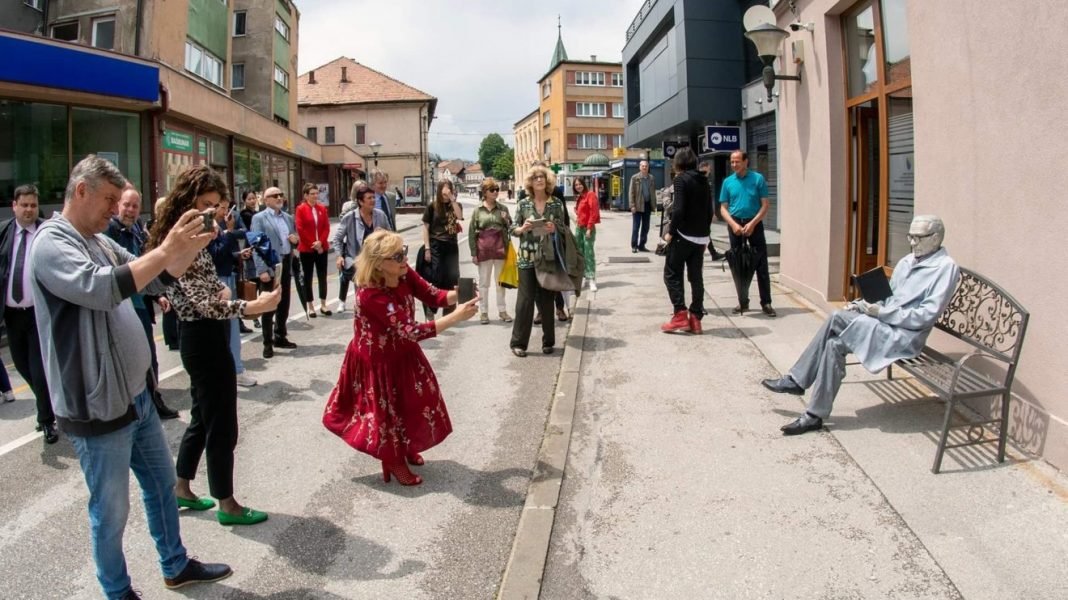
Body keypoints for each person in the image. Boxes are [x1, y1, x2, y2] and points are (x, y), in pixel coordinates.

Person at [30, 155, 233, 599]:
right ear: (80, 191)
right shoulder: (51, 244)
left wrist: (185, 245)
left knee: (161, 486)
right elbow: (103, 288)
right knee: (111, 509)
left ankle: (175, 565)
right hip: (97, 404)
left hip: (135, 396)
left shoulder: (99, 240)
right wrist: (165, 250)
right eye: (108, 199)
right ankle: (118, 592)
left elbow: (155, 280)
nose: (114, 208)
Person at [148, 165, 281, 526]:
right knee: (222, 425)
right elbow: (202, 302)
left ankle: (182, 487)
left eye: (217, 204)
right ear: (186, 200)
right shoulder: (184, 240)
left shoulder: (193, 235)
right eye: (206, 203)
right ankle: (228, 504)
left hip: (204, 334)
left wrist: (222, 292)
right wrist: (250, 306)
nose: (213, 211)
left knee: (203, 418)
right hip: (203, 335)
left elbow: (204, 291)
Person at [763, 215, 960, 436]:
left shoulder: (945, 268)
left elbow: (926, 316)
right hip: (882, 325)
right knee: (833, 345)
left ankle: (797, 380)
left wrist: (882, 312)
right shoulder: (907, 261)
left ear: (935, 238)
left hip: (904, 337)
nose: (912, 243)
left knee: (837, 318)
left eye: (918, 238)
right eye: (910, 236)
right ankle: (814, 415)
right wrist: (863, 305)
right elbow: (888, 297)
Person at [322, 230, 478, 486]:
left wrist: (462, 294)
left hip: (401, 352)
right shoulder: (370, 294)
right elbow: (411, 331)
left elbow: (433, 295)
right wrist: (456, 317)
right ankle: (392, 460)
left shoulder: (403, 273)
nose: (404, 258)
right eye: (397, 255)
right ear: (380, 263)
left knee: (413, 402)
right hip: (378, 360)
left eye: (403, 251)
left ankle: (403, 447)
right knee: (386, 412)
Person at [105, 185, 181, 418]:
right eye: (126, 205)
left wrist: (157, 294)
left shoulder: (136, 230)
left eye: (135, 206)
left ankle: (152, 401)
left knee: (148, 356)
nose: (130, 210)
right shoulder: (110, 232)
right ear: (118, 205)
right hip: (121, 305)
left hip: (139, 303)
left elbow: (143, 266)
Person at [0, 184, 58, 444]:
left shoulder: (47, 232)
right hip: (12, 315)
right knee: (21, 365)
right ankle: (49, 404)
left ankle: (46, 420)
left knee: (38, 367)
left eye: (33, 205)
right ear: (14, 206)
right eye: (24, 205)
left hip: (39, 313)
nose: (28, 210)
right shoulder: (3, 231)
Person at [509, 165, 567, 357]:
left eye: (542, 177)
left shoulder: (556, 204)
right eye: (536, 178)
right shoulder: (523, 204)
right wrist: (522, 229)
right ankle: (518, 343)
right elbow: (512, 229)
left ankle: (548, 342)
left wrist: (554, 229)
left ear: (547, 181)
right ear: (531, 183)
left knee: (546, 301)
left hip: (547, 258)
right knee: (524, 301)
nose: (539, 180)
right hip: (526, 257)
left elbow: (564, 228)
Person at [206, 196, 258, 388]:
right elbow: (215, 255)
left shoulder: (219, 227)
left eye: (227, 208)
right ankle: (233, 371)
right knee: (227, 329)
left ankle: (234, 370)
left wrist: (237, 254)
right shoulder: (210, 227)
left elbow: (224, 252)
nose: (225, 212)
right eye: (222, 208)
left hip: (227, 277)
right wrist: (228, 232)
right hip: (218, 282)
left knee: (231, 328)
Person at [660, 148, 712, 335]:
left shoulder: (681, 179)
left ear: (678, 162)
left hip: (683, 235)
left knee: (671, 273)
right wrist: (706, 236)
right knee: (695, 276)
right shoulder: (704, 180)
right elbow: (709, 211)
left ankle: (680, 314)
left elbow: (679, 209)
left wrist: (671, 233)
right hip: (700, 237)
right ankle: (696, 318)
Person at [720, 150, 775, 317]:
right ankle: (743, 301)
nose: (734, 165)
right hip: (735, 223)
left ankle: (766, 302)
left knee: (761, 264)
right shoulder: (728, 182)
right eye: (732, 162)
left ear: (746, 162)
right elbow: (723, 208)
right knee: (738, 266)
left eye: (737, 161)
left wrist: (752, 223)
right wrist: (733, 224)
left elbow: (765, 205)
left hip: (754, 223)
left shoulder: (757, 179)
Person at [250, 186, 299, 358]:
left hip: (285, 262)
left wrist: (295, 240)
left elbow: (294, 237)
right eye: (275, 195)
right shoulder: (259, 218)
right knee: (268, 304)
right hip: (270, 264)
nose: (279, 198)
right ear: (266, 200)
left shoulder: (287, 217)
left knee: (284, 302)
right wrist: (261, 269)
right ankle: (267, 342)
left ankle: (280, 335)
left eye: (281, 195)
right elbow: (256, 245)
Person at [333, 184, 389, 312]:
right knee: (363, 294)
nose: (373, 200)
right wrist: (339, 256)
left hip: (376, 261)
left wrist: (384, 234)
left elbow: (391, 235)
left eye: (373, 198)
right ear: (360, 201)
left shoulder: (380, 215)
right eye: (369, 198)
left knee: (378, 293)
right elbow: (337, 239)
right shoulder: (350, 218)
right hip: (357, 261)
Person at [467, 177, 512, 324]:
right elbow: (472, 232)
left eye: (497, 189)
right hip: (484, 250)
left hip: (500, 250)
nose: (496, 192)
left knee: (500, 282)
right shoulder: (477, 211)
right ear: (485, 192)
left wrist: (507, 221)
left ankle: (502, 311)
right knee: (484, 283)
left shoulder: (503, 209)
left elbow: (511, 227)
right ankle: (484, 312)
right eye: (492, 190)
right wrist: (474, 253)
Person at [421, 180, 463, 320]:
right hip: (436, 243)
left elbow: (459, 216)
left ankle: (448, 309)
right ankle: (430, 307)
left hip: (451, 244)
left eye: (449, 189)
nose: (446, 192)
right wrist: (427, 248)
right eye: (444, 189)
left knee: (452, 277)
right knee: (437, 277)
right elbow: (426, 228)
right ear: (439, 191)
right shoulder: (432, 207)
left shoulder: (455, 205)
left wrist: (452, 199)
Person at [294, 183, 332, 317]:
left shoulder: (322, 208)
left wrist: (320, 242)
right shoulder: (301, 209)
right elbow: (300, 229)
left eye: (317, 193)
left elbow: (326, 227)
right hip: (307, 248)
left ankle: (323, 304)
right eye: (312, 194)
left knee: (322, 275)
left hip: (322, 247)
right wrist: (313, 243)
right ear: (306, 195)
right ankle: (310, 305)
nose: (315, 196)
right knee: (308, 276)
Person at [573, 176, 600, 292]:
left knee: (589, 254)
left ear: (584, 184)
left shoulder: (590, 195)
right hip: (579, 228)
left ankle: (592, 279)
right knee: (580, 254)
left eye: (580, 184)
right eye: (576, 185)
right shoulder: (579, 197)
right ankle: (584, 277)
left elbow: (593, 213)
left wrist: (589, 228)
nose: (578, 186)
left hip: (588, 229)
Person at [698, 160, 724, 261]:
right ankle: (712, 253)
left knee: (706, 233)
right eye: (708, 169)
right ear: (704, 168)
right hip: (701, 213)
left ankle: (713, 253)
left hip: (704, 213)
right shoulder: (700, 181)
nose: (709, 171)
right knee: (705, 233)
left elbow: (708, 199)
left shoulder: (705, 181)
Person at [629, 160, 655, 253]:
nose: (644, 167)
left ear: (648, 167)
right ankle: (634, 246)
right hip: (637, 205)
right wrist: (632, 205)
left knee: (646, 227)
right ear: (640, 167)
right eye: (643, 166)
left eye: (646, 166)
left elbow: (652, 193)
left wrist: (654, 205)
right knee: (636, 227)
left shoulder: (651, 178)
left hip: (647, 205)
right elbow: (631, 192)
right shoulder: (635, 178)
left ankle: (642, 245)